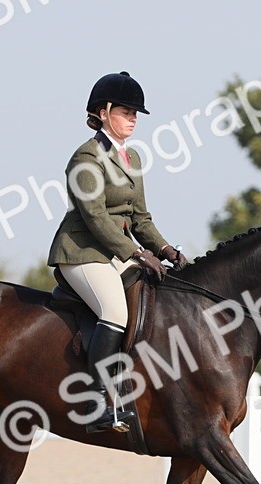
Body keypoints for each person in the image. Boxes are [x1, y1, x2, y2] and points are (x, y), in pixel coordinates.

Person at [47, 71, 189, 433]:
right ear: (104, 111)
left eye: (135, 113)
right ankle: (97, 404)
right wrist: (137, 254)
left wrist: (166, 249)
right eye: (126, 111)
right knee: (114, 310)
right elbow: (94, 217)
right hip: (81, 252)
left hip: (115, 252)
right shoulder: (85, 158)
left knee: (154, 300)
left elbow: (140, 217)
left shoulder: (134, 159)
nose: (133, 118)